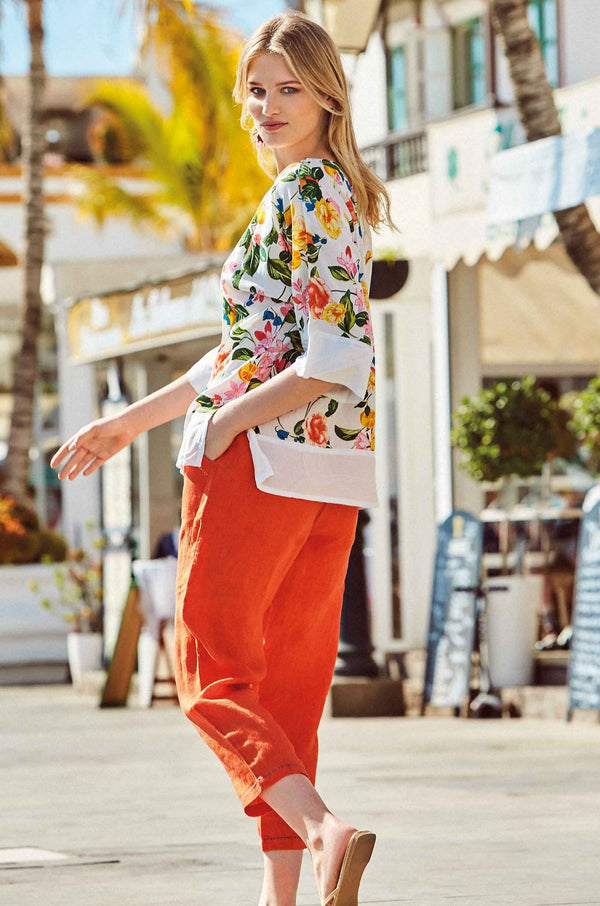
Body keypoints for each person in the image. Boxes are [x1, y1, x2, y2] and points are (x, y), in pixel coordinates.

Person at [51, 10, 393, 905]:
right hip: (329, 476)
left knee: (206, 671)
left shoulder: (306, 195)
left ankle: (325, 831)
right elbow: (248, 344)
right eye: (258, 90)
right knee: (284, 694)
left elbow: (331, 361)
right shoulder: (334, 197)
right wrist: (136, 421)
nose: (269, 106)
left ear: (329, 95)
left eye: (290, 89)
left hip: (263, 464)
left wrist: (226, 424)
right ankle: (288, 892)